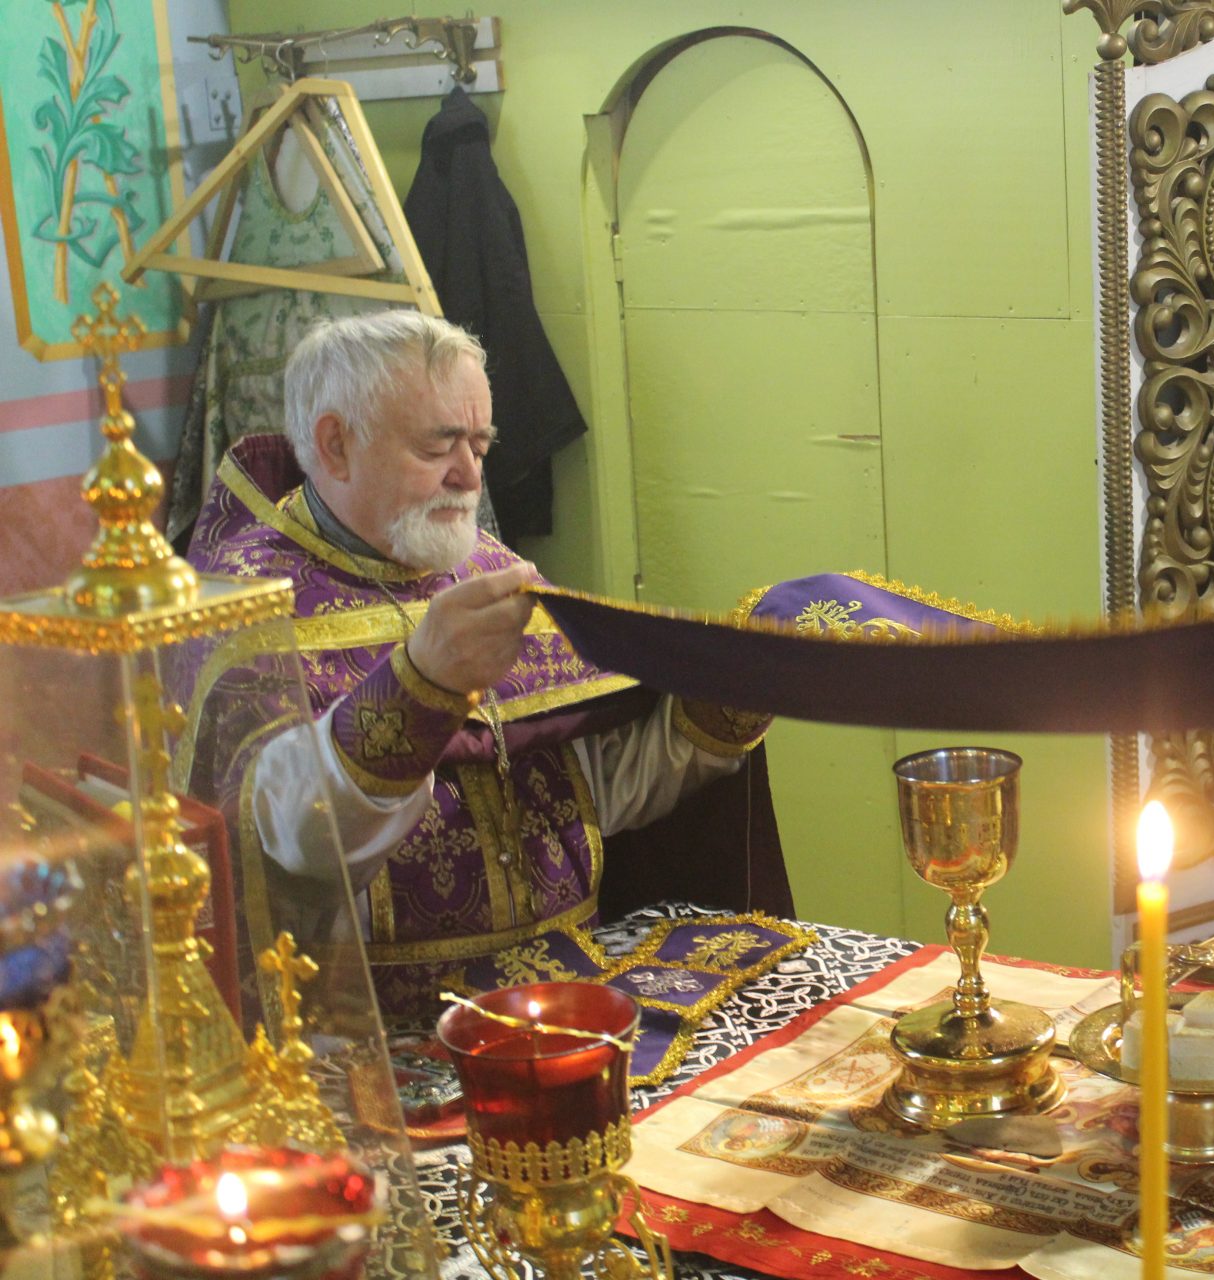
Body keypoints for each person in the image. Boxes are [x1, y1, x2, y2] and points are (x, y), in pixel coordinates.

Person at [183, 311, 783, 1015]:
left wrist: (732, 698)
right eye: (437, 445)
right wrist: (418, 691)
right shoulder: (242, 609)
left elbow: (600, 792)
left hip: (569, 996)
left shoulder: (490, 566)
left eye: (479, 444)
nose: (469, 476)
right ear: (337, 445)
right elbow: (289, 844)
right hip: (375, 1031)